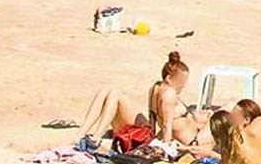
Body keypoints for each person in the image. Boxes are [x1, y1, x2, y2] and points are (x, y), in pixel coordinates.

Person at [77, 52, 211, 151]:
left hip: (148, 133)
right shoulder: (169, 94)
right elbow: (166, 125)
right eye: (181, 82)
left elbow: (154, 118)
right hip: (146, 137)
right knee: (110, 92)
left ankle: (84, 134)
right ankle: (95, 136)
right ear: (169, 78)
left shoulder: (156, 87)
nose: (183, 85)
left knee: (111, 92)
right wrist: (165, 145)